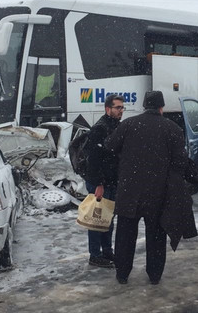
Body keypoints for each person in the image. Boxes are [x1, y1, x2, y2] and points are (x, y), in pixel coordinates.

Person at [105, 91, 188, 285]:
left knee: (125, 235)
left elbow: (109, 147)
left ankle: (122, 273)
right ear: (161, 107)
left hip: (129, 191)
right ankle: (155, 274)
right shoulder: (172, 128)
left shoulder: (128, 124)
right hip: (157, 193)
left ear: (144, 106)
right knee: (156, 236)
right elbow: (180, 161)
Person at [83, 94, 124, 268]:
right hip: (100, 182)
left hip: (111, 181)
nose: (121, 111)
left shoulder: (116, 126)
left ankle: (107, 250)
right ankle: (95, 254)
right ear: (108, 109)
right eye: (118, 108)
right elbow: (94, 159)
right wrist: (99, 183)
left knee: (108, 218)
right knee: (96, 219)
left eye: (122, 108)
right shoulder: (100, 128)